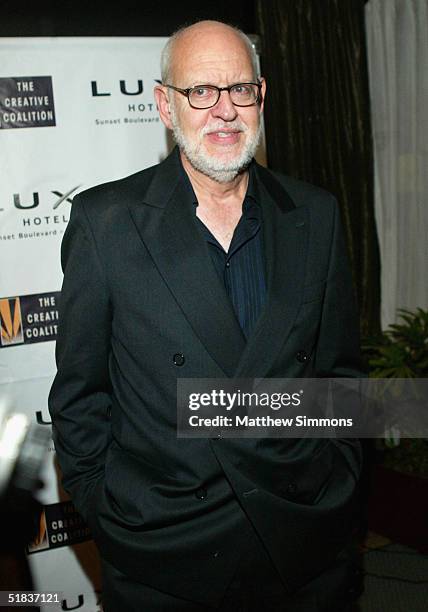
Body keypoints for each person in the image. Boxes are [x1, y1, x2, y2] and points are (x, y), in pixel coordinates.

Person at [49, 20, 363, 611]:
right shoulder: (107, 223)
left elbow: (340, 379)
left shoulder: (315, 215)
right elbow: (79, 398)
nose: (224, 111)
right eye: (201, 92)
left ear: (262, 97)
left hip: (304, 546)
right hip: (165, 558)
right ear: (166, 106)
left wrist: (337, 487)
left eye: (239, 90)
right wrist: (111, 510)